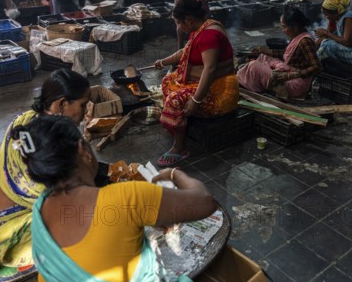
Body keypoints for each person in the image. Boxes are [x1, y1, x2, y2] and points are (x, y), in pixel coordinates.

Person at [22, 115, 216, 282]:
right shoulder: (126, 197)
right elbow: (205, 202)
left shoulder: (40, 208)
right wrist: (175, 174)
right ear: (82, 150)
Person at [0, 70, 92, 268]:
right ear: (62, 104)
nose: (87, 112)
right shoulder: (54, 141)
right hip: (7, 239)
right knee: (86, 226)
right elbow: (72, 190)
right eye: (83, 105)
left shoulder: (26, 122)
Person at [153, 0, 239, 166]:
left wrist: (195, 100)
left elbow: (210, 69)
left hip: (219, 91)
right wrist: (162, 62)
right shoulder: (201, 28)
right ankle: (179, 125)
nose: (178, 27)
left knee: (175, 99)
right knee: (167, 81)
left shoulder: (209, 35)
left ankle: (180, 147)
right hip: (206, 82)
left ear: (189, 20)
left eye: (179, 23)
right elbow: (184, 52)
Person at [237, 9, 321, 99]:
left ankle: (252, 84)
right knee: (263, 57)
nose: (283, 30)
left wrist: (290, 75)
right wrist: (264, 50)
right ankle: (256, 81)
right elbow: (287, 54)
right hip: (289, 71)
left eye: (284, 27)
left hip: (296, 83)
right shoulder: (297, 36)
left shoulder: (305, 41)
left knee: (254, 66)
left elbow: (316, 67)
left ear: (295, 27)